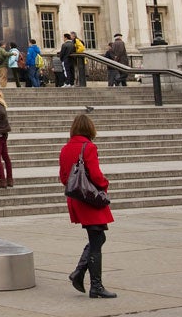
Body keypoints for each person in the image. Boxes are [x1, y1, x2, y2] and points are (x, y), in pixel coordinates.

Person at [59, 114, 116, 298]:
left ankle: (79, 273)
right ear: (90, 129)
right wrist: (104, 185)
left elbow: (63, 177)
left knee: (97, 238)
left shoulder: (66, 148)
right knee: (97, 238)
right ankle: (95, 286)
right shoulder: (89, 147)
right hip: (89, 198)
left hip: (76, 198)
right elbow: (96, 175)